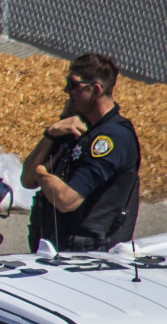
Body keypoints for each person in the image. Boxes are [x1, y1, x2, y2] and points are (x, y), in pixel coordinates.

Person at [24, 53, 143, 252]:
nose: (66, 91)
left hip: (90, 258)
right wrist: (51, 134)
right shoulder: (74, 126)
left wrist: (41, 174)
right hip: (57, 249)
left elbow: (66, 200)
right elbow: (27, 180)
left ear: (95, 89)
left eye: (73, 85)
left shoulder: (112, 139)